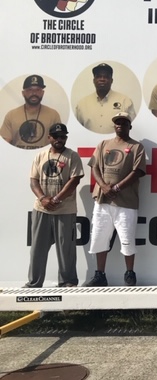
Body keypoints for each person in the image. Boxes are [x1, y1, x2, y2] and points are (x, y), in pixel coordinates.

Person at [84, 112, 146, 287]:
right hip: (103, 200)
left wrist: (117, 187)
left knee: (127, 239)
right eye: (117, 123)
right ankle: (100, 275)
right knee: (99, 237)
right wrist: (103, 186)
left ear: (129, 127)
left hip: (126, 202)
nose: (120, 125)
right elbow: (94, 166)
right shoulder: (104, 144)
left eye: (124, 123)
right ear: (114, 126)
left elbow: (138, 172)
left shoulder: (136, 147)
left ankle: (129, 273)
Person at [25, 123, 83, 288]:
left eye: (63, 136)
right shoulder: (40, 156)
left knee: (66, 250)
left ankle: (68, 282)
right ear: (49, 137)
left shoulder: (72, 156)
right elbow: (33, 181)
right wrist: (43, 198)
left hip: (65, 210)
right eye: (56, 136)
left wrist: (56, 199)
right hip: (41, 209)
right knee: (37, 249)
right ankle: (34, 283)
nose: (59, 139)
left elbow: (75, 180)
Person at [1, 75, 61, 149]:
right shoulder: (11, 115)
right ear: (23, 93)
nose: (34, 93)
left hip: (44, 159)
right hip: (17, 158)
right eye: (30, 90)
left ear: (42, 93)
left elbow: (58, 142)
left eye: (38, 90)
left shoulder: (53, 115)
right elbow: (4, 145)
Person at [75, 63, 137, 133]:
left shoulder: (125, 101)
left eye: (106, 77)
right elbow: (78, 130)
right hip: (89, 143)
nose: (102, 79)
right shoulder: (82, 104)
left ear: (111, 80)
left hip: (117, 143)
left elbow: (133, 127)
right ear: (94, 80)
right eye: (98, 76)